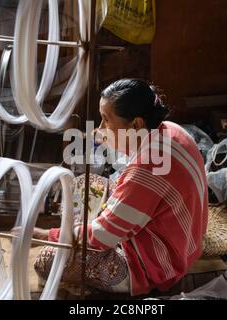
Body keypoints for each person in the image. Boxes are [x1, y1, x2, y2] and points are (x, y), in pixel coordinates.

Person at [29, 79, 208, 296]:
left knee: (46, 260)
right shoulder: (170, 130)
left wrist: (50, 235)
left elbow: (105, 236)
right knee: (85, 183)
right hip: (187, 243)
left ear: (136, 124)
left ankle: (83, 235)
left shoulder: (147, 168)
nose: (101, 128)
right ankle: (82, 230)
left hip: (160, 265)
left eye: (106, 120)